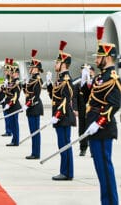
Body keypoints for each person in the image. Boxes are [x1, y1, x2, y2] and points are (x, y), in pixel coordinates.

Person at [82, 26, 120, 205]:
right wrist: (85, 83)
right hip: (94, 128)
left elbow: (115, 104)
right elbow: (92, 99)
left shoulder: (112, 78)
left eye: (99, 57)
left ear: (108, 57)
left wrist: (99, 122)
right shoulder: (101, 77)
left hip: (102, 128)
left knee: (105, 169)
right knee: (100, 170)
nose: (96, 60)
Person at [46, 40, 76, 181]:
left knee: (65, 144)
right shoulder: (60, 79)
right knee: (62, 144)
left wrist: (57, 114)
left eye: (57, 62)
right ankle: (65, 171)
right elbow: (55, 97)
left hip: (63, 117)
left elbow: (65, 99)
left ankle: (67, 172)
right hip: (60, 116)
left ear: (63, 63)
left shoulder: (66, 79)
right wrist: (49, 85)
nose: (55, 64)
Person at [22, 50, 44, 159]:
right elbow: (27, 93)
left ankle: (36, 153)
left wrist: (28, 104)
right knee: (32, 131)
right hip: (31, 107)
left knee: (35, 131)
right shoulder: (32, 79)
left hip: (35, 107)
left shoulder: (37, 79)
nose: (29, 69)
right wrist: (23, 85)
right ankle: (34, 152)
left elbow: (36, 95)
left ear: (36, 68)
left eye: (31, 67)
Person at [73, 64, 95, 157]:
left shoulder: (95, 81)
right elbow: (75, 97)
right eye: (83, 70)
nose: (84, 72)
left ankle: (93, 150)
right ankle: (83, 148)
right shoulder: (78, 82)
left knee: (92, 129)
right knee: (82, 129)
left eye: (86, 70)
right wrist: (75, 109)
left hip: (92, 110)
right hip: (82, 109)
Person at [4, 61, 22, 146]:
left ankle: (16, 140)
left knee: (15, 124)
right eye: (11, 72)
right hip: (10, 106)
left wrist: (9, 104)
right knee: (12, 124)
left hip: (14, 106)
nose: (11, 74)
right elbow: (8, 92)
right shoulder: (12, 82)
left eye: (13, 72)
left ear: (17, 74)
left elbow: (16, 96)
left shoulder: (17, 82)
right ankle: (14, 140)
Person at [0, 58, 12, 137]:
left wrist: (4, 87)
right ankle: (7, 130)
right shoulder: (6, 79)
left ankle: (9, 131)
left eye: (6, 70)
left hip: (8, 100)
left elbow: (10, 90)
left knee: (8, 117)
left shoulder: (10, 79)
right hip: (4, 100)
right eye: (5, 70)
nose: (5, 72)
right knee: (6, 117)